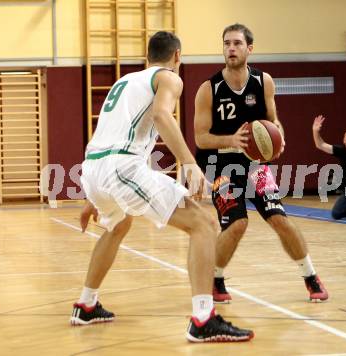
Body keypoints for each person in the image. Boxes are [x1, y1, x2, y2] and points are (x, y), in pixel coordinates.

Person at [70, 31, 253, 342]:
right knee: (204, 224)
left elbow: (109, 136)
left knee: (118, 225)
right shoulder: (169, 77)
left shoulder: (124, 82)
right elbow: (160, 115)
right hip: (120, 168)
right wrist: (190, 163)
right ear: (177, 56)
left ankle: (86, 305)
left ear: (147, 56)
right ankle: (203, 318)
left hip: (93, 167)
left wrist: (95, 197)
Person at [194, 23, 328, 304]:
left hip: (255, 165)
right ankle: (215, 278)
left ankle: (311, 275)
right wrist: (232, 139)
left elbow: (273, 120)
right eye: (227, 43)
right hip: (221, 167)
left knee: (279, 217)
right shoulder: (209, 89)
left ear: (249, 49)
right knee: (237, 223)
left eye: (237, 43)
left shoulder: (264, 81)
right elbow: (201, 138)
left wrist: (277, 139)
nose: (231, 48)